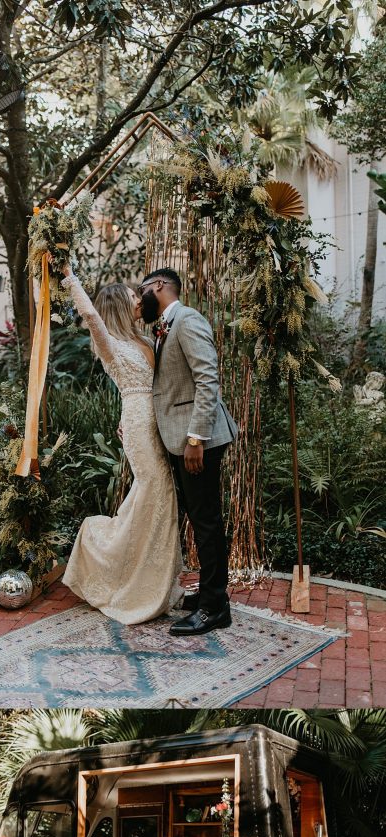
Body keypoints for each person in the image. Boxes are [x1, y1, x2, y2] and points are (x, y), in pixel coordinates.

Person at [60, 268, 184, 625]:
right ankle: (126, 576)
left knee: (159, 497)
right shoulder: (108, 342)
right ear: (118, 305)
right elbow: (91, 316)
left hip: (155, 421)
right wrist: (69, 277)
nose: (139, 299)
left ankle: (148, 579)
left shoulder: (142, 340)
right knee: (156, 492)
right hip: (138, 425)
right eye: (132, 296)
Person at [138, 267, 238, 637]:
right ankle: (210, 595)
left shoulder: (188, 319)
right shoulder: (164, 326)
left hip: (200, 440)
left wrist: (196, 439)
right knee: (199, 519)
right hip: (183, 438)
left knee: (206, 521)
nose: (140, 295)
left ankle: (215, 608)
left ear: (159, 286)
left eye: (142, 289)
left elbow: (207, 378)